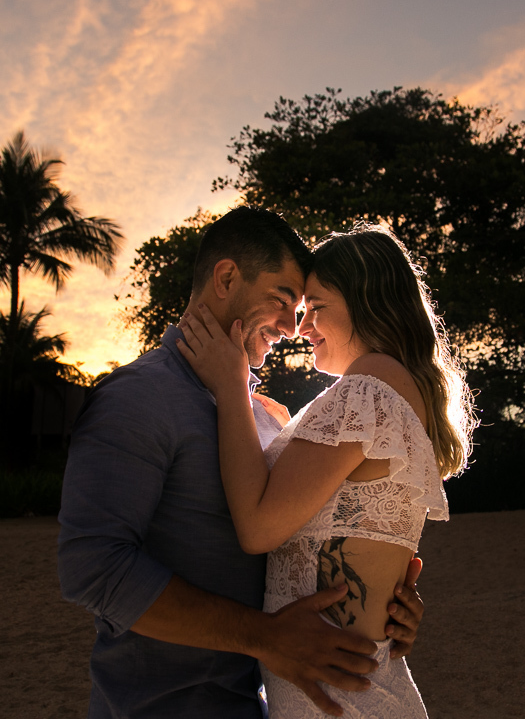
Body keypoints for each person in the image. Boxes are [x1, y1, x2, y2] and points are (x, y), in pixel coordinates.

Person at [57, 206, 425, 719]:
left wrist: (379, 604)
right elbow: (91, 568)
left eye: (302, 309)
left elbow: (311, 539)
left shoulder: (262, 417)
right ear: (227, 277)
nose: (292, 328)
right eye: (282, 301)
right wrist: (266, 638)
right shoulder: (139, 398)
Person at [177, 224, 476, 718]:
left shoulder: (367, 391)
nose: (301, 327)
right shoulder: (391, 393)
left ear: (366, 302)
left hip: (338, 702)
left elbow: (256, 528)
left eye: (317, 308)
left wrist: (231, 386)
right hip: (349, 689)